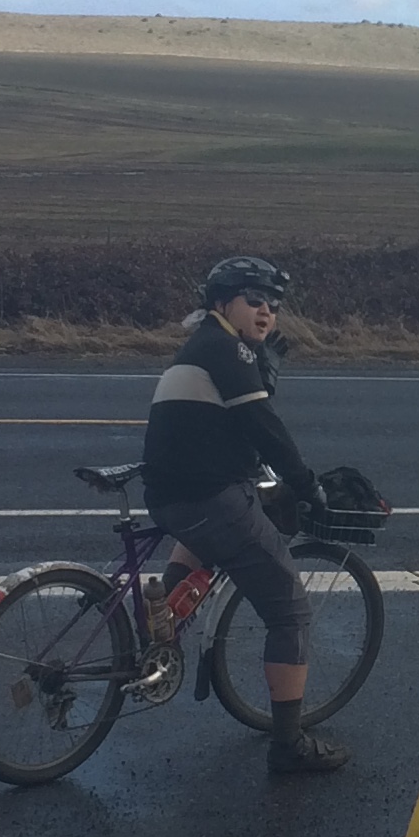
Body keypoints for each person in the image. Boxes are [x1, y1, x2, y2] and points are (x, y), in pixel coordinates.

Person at [142, 253, 348, 777]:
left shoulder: (204, 345)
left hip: (170, 497)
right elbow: (263, 426)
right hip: (209, 499)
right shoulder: (226, 347)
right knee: (290, 613)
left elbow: (227, 421)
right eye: (254, 300)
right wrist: (306, 485)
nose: (266, 312)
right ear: (221, 302)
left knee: (208, 536)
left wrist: (260, 372)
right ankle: (288, 744)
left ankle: (159, 626)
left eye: (273, 305)